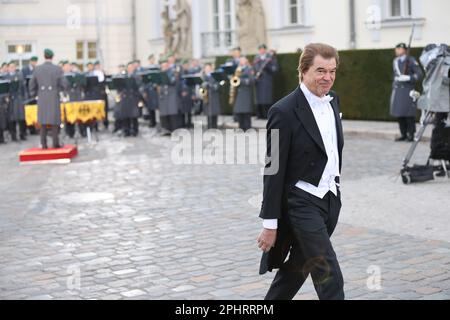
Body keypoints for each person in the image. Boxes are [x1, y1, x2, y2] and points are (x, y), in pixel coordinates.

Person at [258, 43, 345, 300]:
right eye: (320, 71)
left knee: (296, 270)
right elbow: (272, 170)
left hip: (330, 200)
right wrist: (270, 223)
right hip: (301, 203)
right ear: (303, 71)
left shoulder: (333, 100)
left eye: (332, 71)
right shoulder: (282, 112)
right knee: (329, 275)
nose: (327, 78)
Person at [29, 49, 67, 149]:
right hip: (54, 96)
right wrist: (60, 90)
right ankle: (55, 143)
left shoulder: (37, 69)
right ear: (52, 56)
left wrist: (34, 94)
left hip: (42, 97)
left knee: (43, 121)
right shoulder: (57, 69)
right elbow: (65, 83)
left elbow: (31, 84)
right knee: (54, 121)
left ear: (44, 56)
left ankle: (43, 144)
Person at [390, 42, 424, 142]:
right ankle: (403, 134)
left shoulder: (411, 60)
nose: (396, 51)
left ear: (404, 50)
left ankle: (411, 135)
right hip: (398, 90)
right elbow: (395, 75)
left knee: (409, 114)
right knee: (399, 114)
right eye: (396, 49)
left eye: (398, 49)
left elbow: (419, 74)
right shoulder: (395, 61)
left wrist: (408, 77)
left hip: (408, 90)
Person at [253, 44, 279, 120]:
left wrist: (268, 67)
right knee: (258, 99)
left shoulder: (270, 58)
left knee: (267, 99)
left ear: (265, 50)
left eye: (263, 49)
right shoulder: (256, 58)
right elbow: (254, 68)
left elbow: (275, 69)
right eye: (260, 49)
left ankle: (266, 115)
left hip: (267, 81)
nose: (261, 51)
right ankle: (259, 115)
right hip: (258, 81)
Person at [5, 62, 27, 141]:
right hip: (10, 100)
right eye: (11, 67)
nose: (12, 68)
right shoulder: (5, 76)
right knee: (12, 119)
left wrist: (25, 98)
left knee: (21, 118)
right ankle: (13, 136)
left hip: (19, 99)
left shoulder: (19, 76)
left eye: (14, 66)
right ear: (8, 68)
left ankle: (22, 134)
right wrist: (6, 98)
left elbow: (24, 88)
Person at [233, 57, 255, 131]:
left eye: (242, 60)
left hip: (246, 92)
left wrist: (241, 81)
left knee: (246, 112)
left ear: (246, 61)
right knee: (239, 111)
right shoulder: (238, 69)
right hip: (239, 92)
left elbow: (252, 80)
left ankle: (247, 127)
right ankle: (241, 127)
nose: (241, 62)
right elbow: (235, 79)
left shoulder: (249, 69)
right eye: (240, 61)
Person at [201, 64, 222, 129]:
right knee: (208, 114)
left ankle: (214, 127)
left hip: (214, 97)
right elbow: (201, 89)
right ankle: (209, 127)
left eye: (209, 68)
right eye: (206, 68)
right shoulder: (203, 77)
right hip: (207, 98)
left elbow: (217, 86)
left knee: (214, 114)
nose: (207, 70)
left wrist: (210, 85)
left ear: (211, 69)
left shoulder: (215, 76)